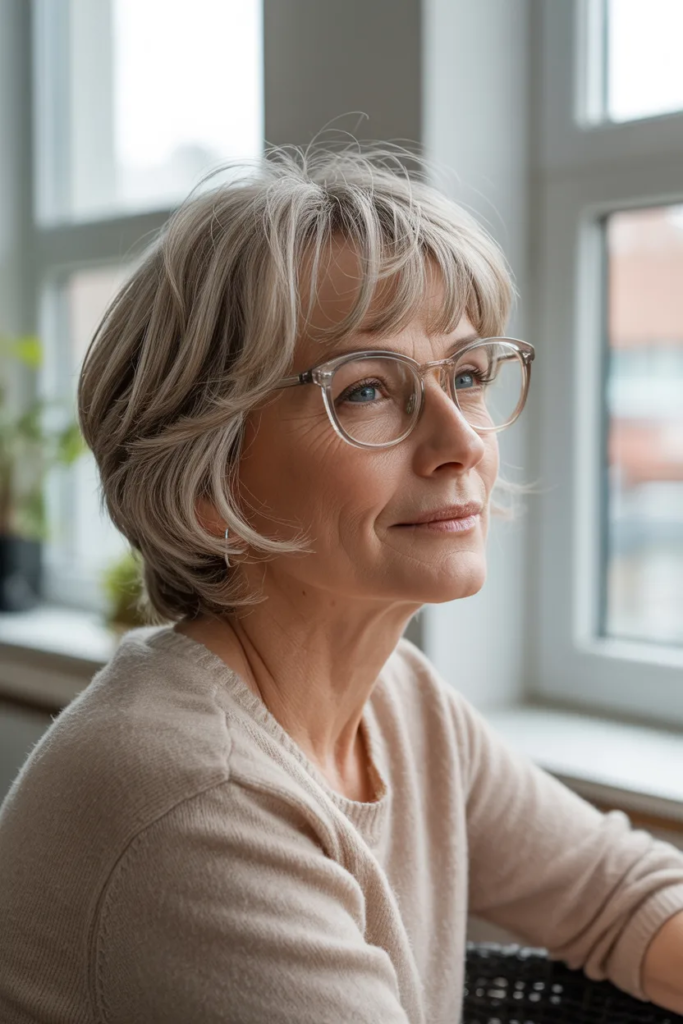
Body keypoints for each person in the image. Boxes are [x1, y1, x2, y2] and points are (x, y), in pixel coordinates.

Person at [1, 143, 683, 1024]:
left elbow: (617, 896)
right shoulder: (197, 796)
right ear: (207, 482)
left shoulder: (398, 701)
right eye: (367, 390)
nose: (461, 441)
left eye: (466, 375)